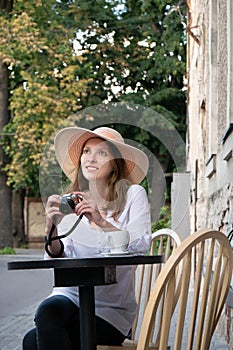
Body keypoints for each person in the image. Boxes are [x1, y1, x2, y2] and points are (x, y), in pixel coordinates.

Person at [23, 126, 152, 350]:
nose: (91, 158)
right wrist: (51, 229)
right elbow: (59, 256)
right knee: (48, 313)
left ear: (115, 164)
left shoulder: (133, 195)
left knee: (33, 342)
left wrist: (101, 222)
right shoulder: (71, 200)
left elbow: (141, 243)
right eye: (86, 151)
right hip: (71, 295)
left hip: (111, 309)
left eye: (102, 153)